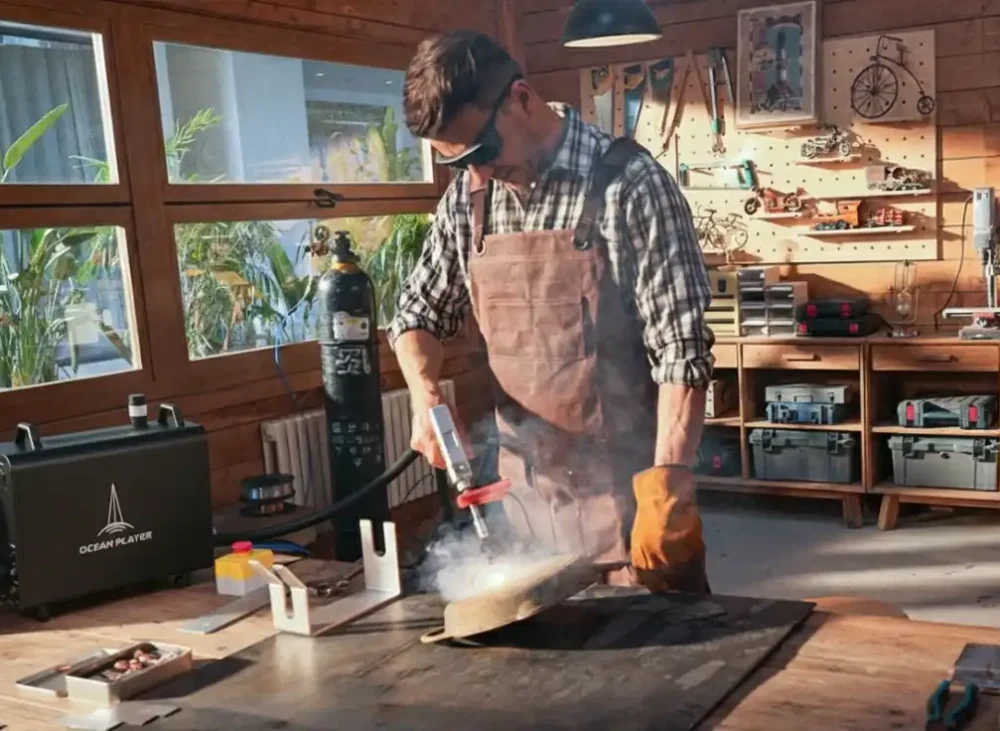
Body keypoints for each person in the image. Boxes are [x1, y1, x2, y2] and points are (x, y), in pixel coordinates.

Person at [387, 30, 715, 593]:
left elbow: (681, 351)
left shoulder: (630, 186)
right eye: (458, 162)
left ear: (520, 99)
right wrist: (425, 394)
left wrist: (666, 491)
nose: (475, 174)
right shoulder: (468, 201)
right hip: (525, 512)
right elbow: (416, 313)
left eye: (480, 152)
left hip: (631, 503)